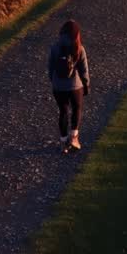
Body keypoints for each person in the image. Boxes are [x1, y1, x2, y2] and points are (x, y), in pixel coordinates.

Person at [48, 19, 90, 153]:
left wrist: (54, 81)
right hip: (75, 86)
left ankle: (63, 142)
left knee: (63, 111)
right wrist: (86, 85)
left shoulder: (55, 47)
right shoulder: (79, 48)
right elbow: (84, 70)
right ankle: (74, 138)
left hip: (58, 87)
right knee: (77, 109)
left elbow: (50, 68)